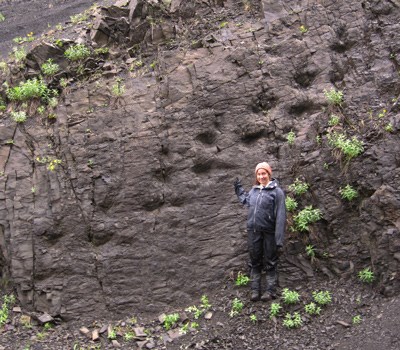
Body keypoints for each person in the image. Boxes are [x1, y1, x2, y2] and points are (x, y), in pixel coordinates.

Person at [234, 162, 286, 302]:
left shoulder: (277, 192)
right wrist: (238, 189)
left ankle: (270, 291)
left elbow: (281, 215)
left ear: (269, 174)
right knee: (254, 260)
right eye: (259, 174)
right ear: (256, 176)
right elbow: (246, 200)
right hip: (253, 231)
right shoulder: (254, 190)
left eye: (264, 173)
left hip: (269, 232)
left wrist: (279, 239)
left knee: (270, 261)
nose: (261, 176)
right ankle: (255, 291)